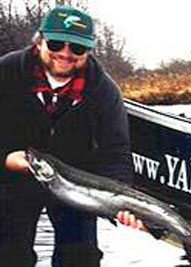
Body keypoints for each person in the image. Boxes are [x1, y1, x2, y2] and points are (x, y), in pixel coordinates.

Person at [0, 5, 143, 267]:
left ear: (88, 51)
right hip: (11, 177)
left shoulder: (103, 90)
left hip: (77, 181)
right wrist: (5, 159)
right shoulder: (6, 71)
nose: (65, 54)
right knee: (8, 255)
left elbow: (116, 150)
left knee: (80, 259)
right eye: (56, 43)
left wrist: (122, 201)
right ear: (40, 40)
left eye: (77, 48)